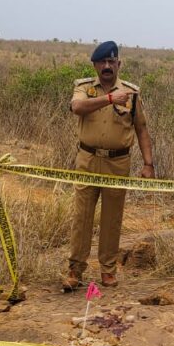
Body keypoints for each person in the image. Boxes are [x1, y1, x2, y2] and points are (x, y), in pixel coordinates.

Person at [64, 41, 154, 292]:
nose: (107, 66)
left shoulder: (131, 93)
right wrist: (110, 99)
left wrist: (148, 163)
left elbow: (141, 128)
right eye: (102, 62)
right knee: (82, 217)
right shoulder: (84, 88)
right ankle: (75, 270)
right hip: (88, 160)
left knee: (112, 219)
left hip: (118, 162)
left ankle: (108, 270)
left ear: (118, 64)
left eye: (111, 62)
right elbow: (76, 107)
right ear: (94, 65)